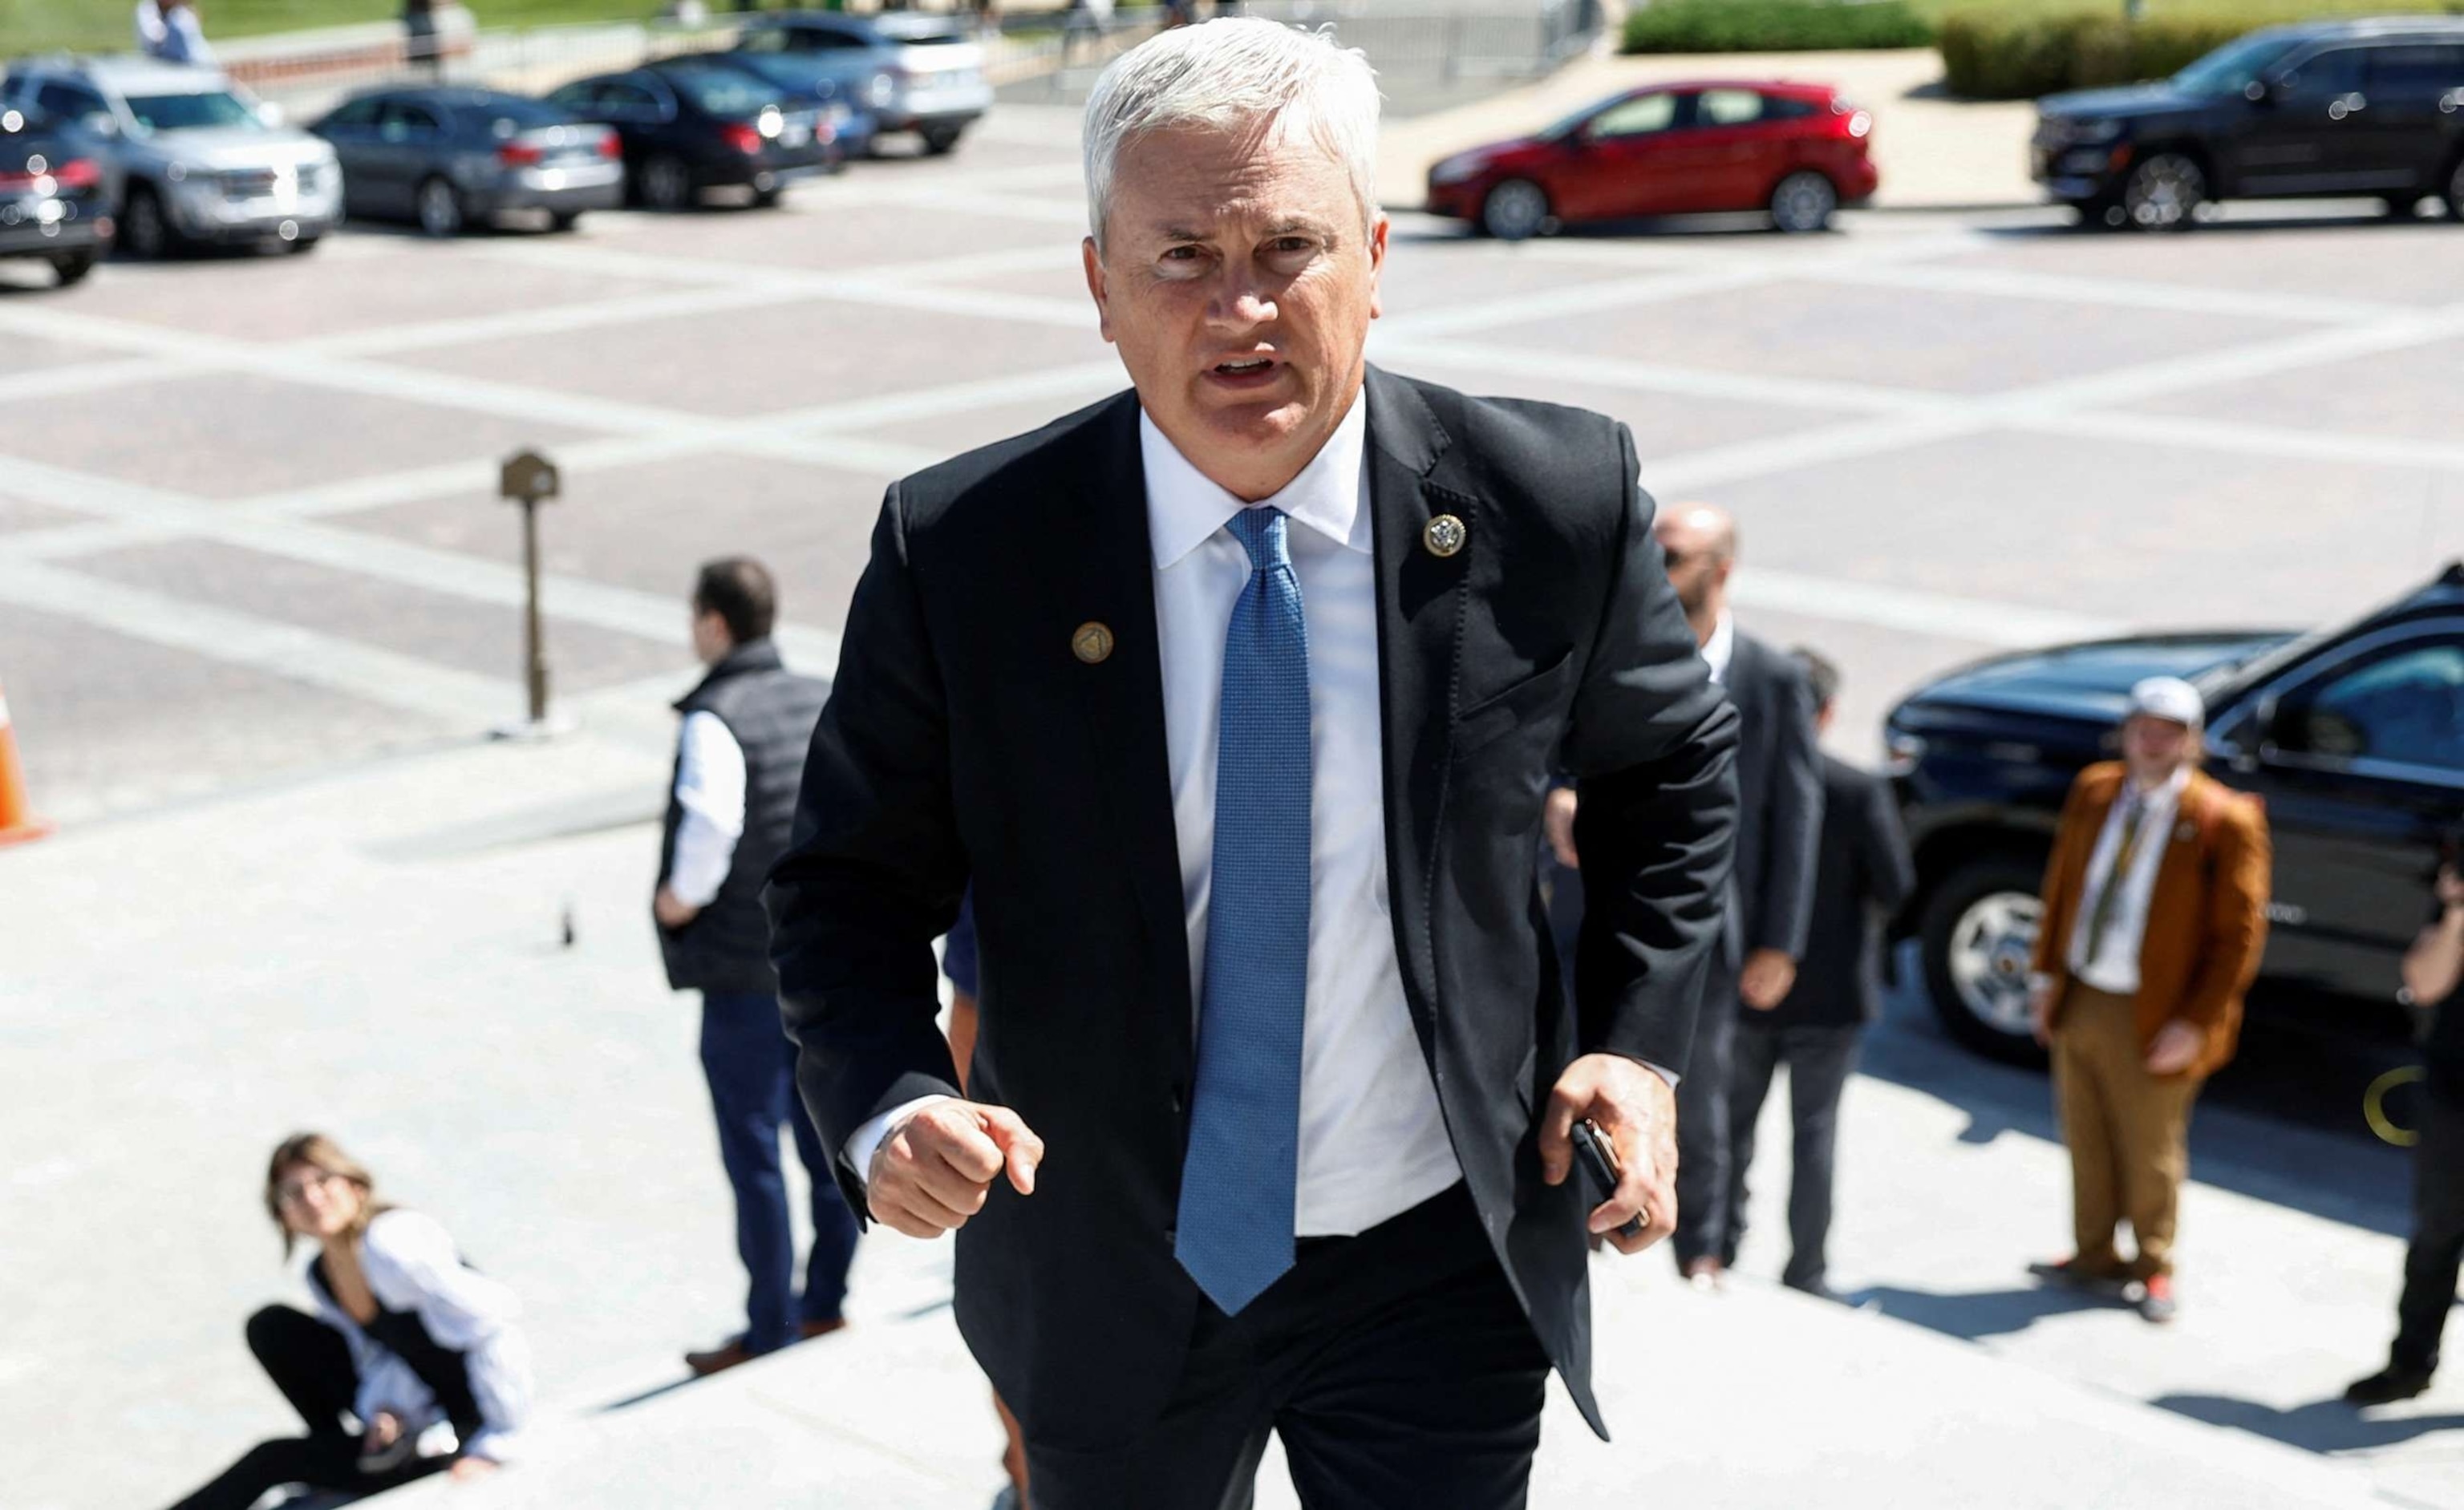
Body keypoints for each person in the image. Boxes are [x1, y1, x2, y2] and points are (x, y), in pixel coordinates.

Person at [764, 18, 1740, 1506]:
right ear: (1097, 283)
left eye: (1288, 244)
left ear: (1374, 255)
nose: (1241, 307)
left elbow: (1669, 771)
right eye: (1177, 257)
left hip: (1443, 1256)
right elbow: (843, 883)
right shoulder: (963, 552)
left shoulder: (1556, 500)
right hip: (1103, 1262)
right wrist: (891, 1101)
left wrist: (1636, 1034)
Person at [655, 557, 860, 1377]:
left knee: (755, 1156)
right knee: (828, 1140)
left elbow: (708, 822)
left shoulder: (715, 715)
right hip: (822, 957)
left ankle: (771, 1320)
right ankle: (828, 1299)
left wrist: (677, 899)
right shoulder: (817, 693)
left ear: (713, 623)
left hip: (743, 970)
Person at [2026, 675, 2271, 1325]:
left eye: (2170, 731)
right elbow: (2063, 886)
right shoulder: (2097, 790)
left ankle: (2154, 1263)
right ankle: (2092, 1252)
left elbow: (2238, 936)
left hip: (2158, 1006)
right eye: (2144, 727)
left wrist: (2196, 1021)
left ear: (2193, 742)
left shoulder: (2222, 817)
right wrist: (2045, 977)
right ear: (2128, 731)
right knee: (2086, 1132)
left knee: (2150, 1144)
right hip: (2086, 990)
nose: (2154, 742)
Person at [1648, 502, 1823, 1289]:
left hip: (1716, 929)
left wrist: (1780, 942)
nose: (1652, 571)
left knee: (1708, 1092)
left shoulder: (1771, 676)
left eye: (1672, 557)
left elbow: (1796, 814)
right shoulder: (1619, 647)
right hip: (1610, 911)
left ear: (1719, 570)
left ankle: (1704, 1245)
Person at [165, 1134, 530, 1510]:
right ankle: (335, 1452)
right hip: (407, 1428)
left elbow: (495, 1326)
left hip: (459, 1434)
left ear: (355, 1184)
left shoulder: (394, 1241)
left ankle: (339, 1466)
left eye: (322, 1182)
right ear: (283, 1215)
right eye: (293, 1193)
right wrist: (386, 1411)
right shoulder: (322, 1273)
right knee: (272, 1327)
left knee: (272, 1460)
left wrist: (495, 1444)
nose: (312, 1199)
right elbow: (378, 1358)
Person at [1720, 648, 1911, 1302]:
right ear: (1827, 712)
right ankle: (1806, 1270)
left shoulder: (1735, 778)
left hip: (1748, 989)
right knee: (1815, 1136)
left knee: (1734, 1126)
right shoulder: (1858, 789)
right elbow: (1896, 884)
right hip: (1830, 999)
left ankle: (1714, 1246)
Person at [2346, 853, 2464, 1405]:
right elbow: (2423, 983)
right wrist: (2458, 910)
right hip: (2454, 1086)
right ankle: (2409, 1363)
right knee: (2437, 1231)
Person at [135, 0, 213, 65]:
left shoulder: (182, 13)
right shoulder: (147, 8)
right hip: (159, 61)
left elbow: (196, 44)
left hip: (192, 61)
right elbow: (155, 40)